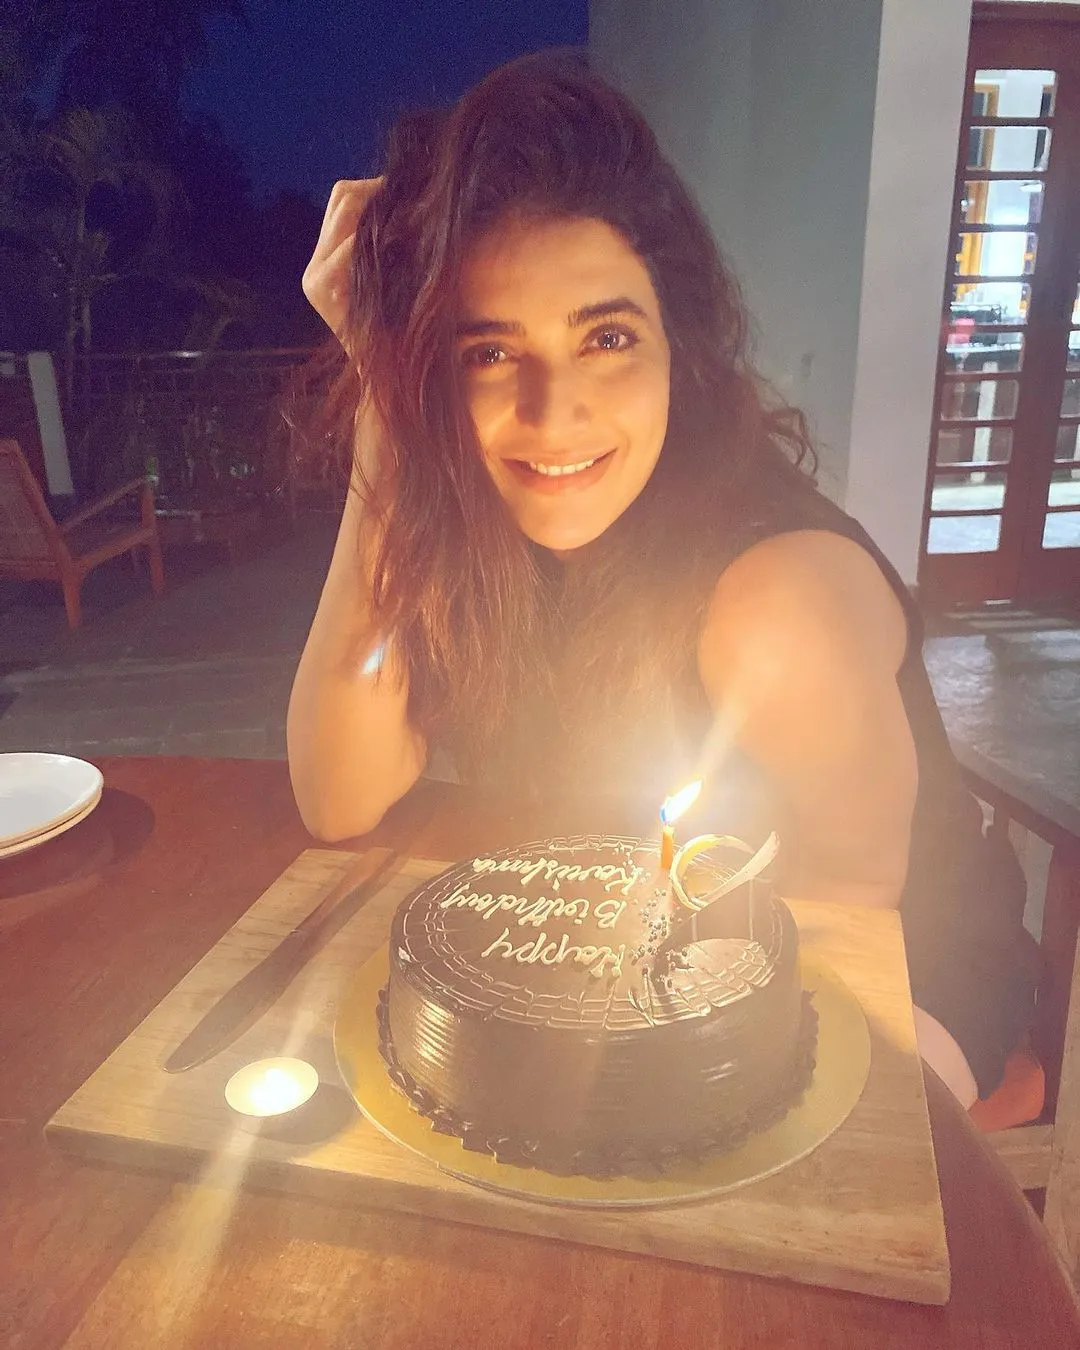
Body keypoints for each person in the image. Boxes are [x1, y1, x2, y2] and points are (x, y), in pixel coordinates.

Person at [287, 53, 1038, 1111]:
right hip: (621, 951)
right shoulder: (476, 536)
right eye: (487, 354)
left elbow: (851, 919)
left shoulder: (778, 604)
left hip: (900, 964)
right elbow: (338, 795)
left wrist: (603, 1053)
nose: (553, 415)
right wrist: (385, 399)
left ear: (678, 344)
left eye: (605, 337)